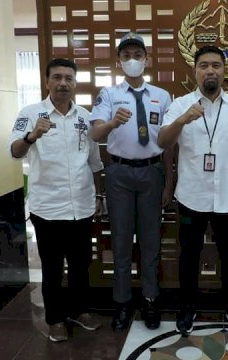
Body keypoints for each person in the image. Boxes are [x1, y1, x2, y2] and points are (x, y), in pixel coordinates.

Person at [157, 45, 228, 335]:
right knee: (189, 255)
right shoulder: (179, 105)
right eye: (204, 65)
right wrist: (183, 119)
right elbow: (163, 142)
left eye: (216, 65)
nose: (210, 70)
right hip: (191, 196)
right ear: (194, 71)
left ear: (225, 71)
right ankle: (187, 307)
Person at [8, 58, 104, 342]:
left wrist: (98, 195)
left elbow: (94, 161)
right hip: (47, 207)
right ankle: (55, 319)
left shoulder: (85, 118)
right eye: (57, 77)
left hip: (82, 206)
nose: (63, 83)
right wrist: (32, 135)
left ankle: (79, 310)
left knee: (80, 264)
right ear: (47, 81)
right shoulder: (30, 113)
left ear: (75, 83)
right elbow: (14, 151)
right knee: (51, 268)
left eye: (69, 78)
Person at [89, 32, 174, 331]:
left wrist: (168, 183)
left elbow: (168, 143)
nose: (132, 60)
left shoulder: (162, 96)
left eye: (138, 55)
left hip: (152, 173)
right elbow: (95, 134)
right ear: (118, 62)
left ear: (147, 59)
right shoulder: (109, 94)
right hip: (119, 174)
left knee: (150, 243)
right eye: (126, 56)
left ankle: (150, 300)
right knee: (122, 243)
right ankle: (123, 303)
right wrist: (112, 123)